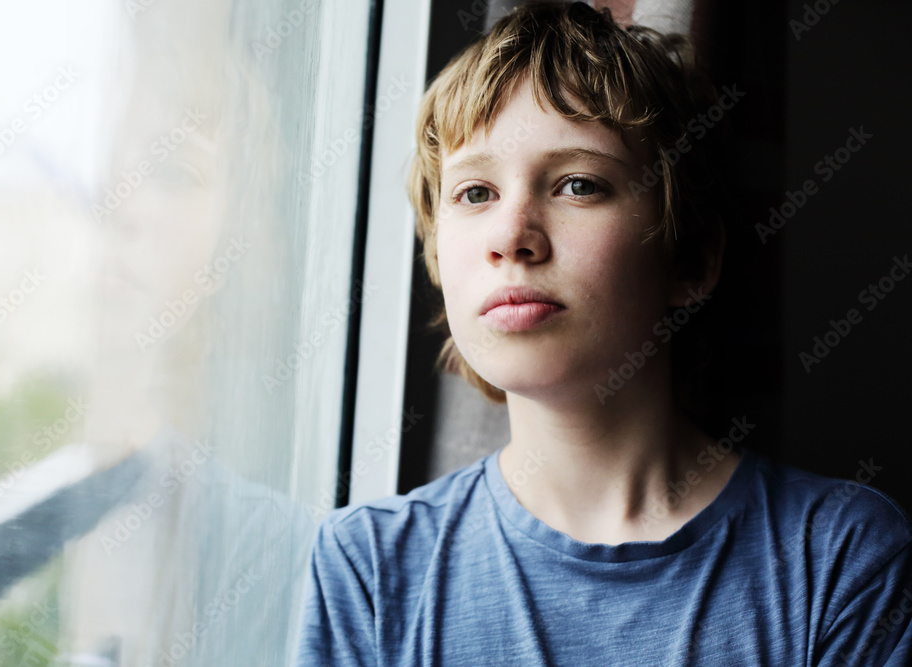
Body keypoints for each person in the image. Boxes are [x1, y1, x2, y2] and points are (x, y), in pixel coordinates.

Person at [295, 2, 912, 664]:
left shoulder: (839, 557)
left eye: (578, 184)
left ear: (690, 259)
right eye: (475, 193)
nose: (512, 236)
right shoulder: (368, 570)